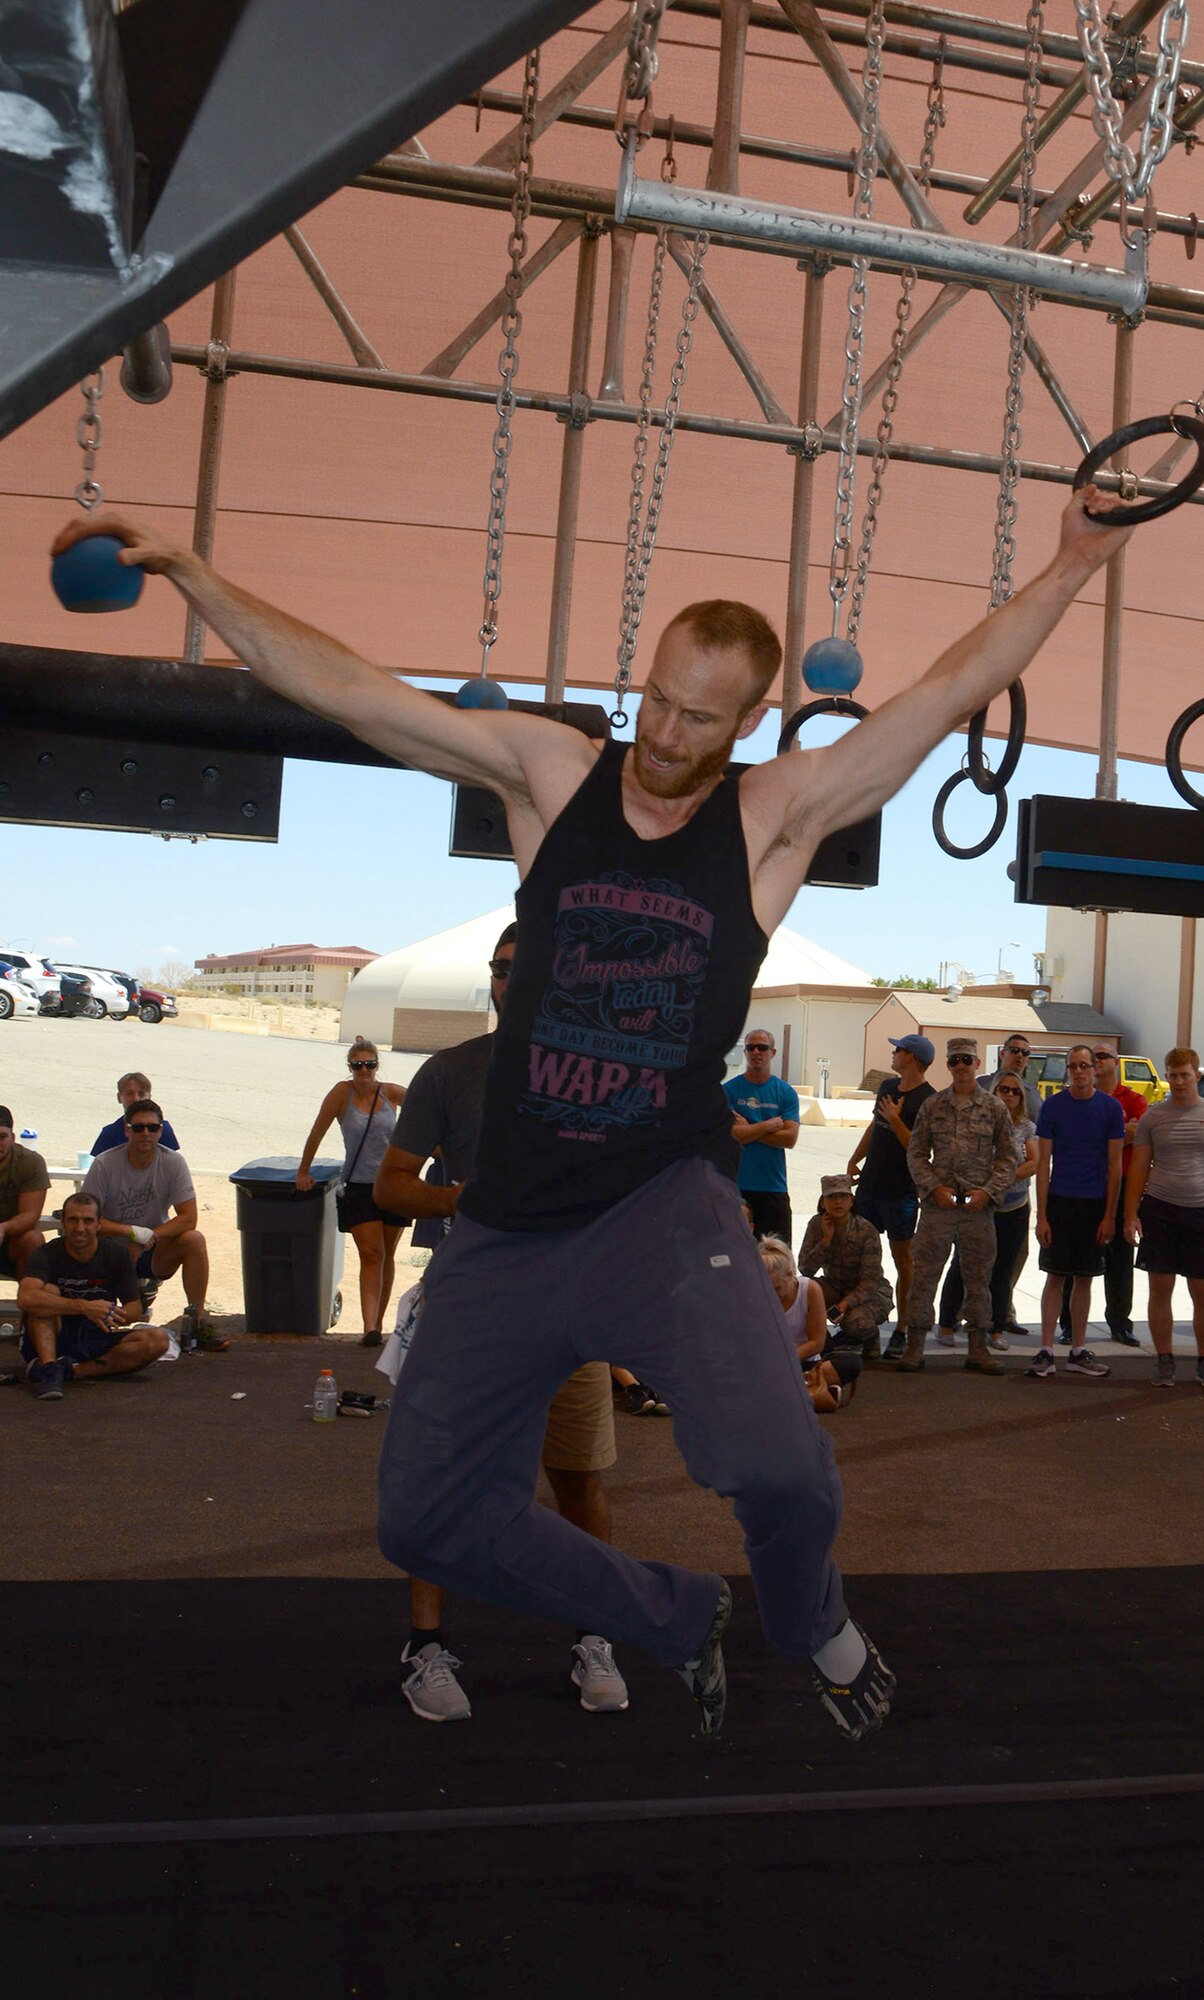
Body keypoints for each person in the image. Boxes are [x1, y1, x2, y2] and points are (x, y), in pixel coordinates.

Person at [53, 481, 1131, 1741]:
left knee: (784, 1468)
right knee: (425, 1518)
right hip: (508, 1223)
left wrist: (1073, 564)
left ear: (749, 721)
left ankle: (811, 1621)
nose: (668, 731)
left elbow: (940, 698)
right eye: (659, 698)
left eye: (701, 716)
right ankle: (673, 1614)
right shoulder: (553, 776)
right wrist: (193, 571)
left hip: (662, 1212)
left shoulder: (771, 820)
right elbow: (354, 692)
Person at [372, 924, 629, 1720]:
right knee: (444, 1480)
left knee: (579, 1482)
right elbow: (389, 1185)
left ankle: (596, 1636)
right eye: (501, 971)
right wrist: (460, 1200)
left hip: (570, 1313)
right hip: (473, 1308)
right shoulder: (451, 1072)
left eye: (529, 971)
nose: (510, 983)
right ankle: (426, 1649)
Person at [1123, 1048, 1204, 1390]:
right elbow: (1139, 1170)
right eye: (1172, 1075)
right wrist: (1130, 1216)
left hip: (1203, 1213)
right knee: (1160, 1289)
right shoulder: (1153, 1118)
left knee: (1203, 1291)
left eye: (1184, 1075)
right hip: (1159, 1210)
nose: (1178, 1081)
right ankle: (1164, 1360)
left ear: (1196, 1075)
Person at [900, 1037, 1015, 1376]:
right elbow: (916, 1153)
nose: (961, 1066)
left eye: (967, 1059)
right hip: (939, 1208)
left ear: (977, 1064)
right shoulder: (933, 1106)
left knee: (979, 1279)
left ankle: (978, 1348)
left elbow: (1009, 1157)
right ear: (948, 1066)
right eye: (954, 1061)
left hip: (977, 1210)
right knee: (924, 1277)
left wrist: (989, 1192)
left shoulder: (995, 1108)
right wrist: (933, 1188)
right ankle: (914, 1346)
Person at [80, 1099, 221, 1350]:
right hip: (107, 1249)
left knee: (194, 1239)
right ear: (126, 1130)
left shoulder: (173, 1162)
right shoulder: (104, 1164)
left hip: (152, 1250)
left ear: (161, 1131)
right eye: (138, 1127)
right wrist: (132, 1233)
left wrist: (147, 1238)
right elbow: (86, 1218)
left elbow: (189, 1217)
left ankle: (197, 1323)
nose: (145, 1133)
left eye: (152, 1128)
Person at [297, 1036, 406, 1349]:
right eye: (357, 1065)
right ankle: (369, 1326)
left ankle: (379, 1325)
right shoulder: (340, 1094)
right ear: (350, 1067)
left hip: (393, 1183)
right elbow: (317, 1132)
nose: (363, 1070)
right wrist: (303, 1171)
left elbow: (427, 1112)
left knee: (387, 1255)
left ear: (376, 1066)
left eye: (369, 1065)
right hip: (359, 1186)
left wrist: (436, 1148)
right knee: (371, 1254)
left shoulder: (391, 1093)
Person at [1028, 1046, 1124, 1381]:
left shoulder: (1110, 1109)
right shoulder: (1053, 1106)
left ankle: (1078, 1350)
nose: (1079, 1072)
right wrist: (1041, 1216)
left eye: (1085, 1065)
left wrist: (1110, 1215)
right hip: (1060, 1202)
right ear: (1067, 1070)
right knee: (1055, 1276)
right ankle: (1045, 1350)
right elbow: (1043, 1164)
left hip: (1094, 1204)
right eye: (1073, 1067)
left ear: (1096, 1068)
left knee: (1084, 1278)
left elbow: (1116, 1165)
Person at [18, 1190, 167, 1400]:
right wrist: (85, 1307)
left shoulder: (116, 1254)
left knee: (158, 1340)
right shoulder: (46, 1253)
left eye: (87, 1221)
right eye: (73, 1220)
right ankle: (50, 1367)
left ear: (99, 1225)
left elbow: (135, 1308)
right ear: (62, 1222)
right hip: (53, 1332)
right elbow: (26, 1298)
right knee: (46, 1294)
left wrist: (109, 1313)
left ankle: (72, 1371)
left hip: (96, 1332)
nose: (80, 1228)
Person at [848, 1033, 935, 1359]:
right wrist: (855, 1158)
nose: (893, 1053)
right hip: (870, 1187)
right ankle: (864, 1326)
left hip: (901, 1193)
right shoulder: (887, 1088)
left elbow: (920, 1148)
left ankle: (902, 1329)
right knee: (862, 1259)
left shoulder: (929, 1100)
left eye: (897, 1049)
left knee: (904, 1261)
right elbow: (875, 1125)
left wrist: (896, 1120)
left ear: (911, 1056)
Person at [940, 1074, 1038, 1349]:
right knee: (962, 1265)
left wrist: (1000, 1180)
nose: (1008, 1095)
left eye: (1015, 1091)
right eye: (1003, 1089)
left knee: (1002, 1272)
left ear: (1021, 1098)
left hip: (1013, 1208)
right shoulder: (978, 1124)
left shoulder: (1026, 1128)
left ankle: (995, 1330)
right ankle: (947, 1324)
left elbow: (1034, 1162)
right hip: (978, 1207)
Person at [1058, 1046, 1147, 1348]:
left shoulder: (1135, 1100)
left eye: (1103, 1057)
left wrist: (1109, 1135)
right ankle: (1068, 1325)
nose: (1097, 1063)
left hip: (1121, 1189)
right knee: (1073, 1260)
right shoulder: (1082, 1099)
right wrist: (1122, 1132)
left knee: (1120, 1259)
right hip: (1085, 1189)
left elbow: (1139, 1136)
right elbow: (1091, 1138)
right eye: (1091, 1059)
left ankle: (1120, 1324)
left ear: (1116, 1063)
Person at [797, 1175, 892, 1376]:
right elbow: (805, 1269)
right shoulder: (816, 1225)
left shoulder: (866, 1230)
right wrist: (825, 1240)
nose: (838, 1202)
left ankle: (869, 1336)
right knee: (803, 1290)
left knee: (857, 1324)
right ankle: (821, 1343)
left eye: (843, 1196)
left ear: (851, 1200)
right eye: (831, 1197)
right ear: (823, 1202)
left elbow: (871, 1280)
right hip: (833, 1286)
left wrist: (845, 1304)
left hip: (870, 1293)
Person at [723, 1029, 801, 1242]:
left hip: (773, 1188)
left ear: (773, 1052)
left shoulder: (785, 1092)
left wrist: (748, 1128)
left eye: (762, 1047)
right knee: (735, 1257)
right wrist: (768, 1125)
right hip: (737, 1188)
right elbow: (729, 1135)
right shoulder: (729, 1091)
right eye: (751, 1047)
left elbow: (790, 1139)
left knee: (777, 1258)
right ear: (745, 1052)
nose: (756, 1052)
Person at [758, 1233, 849, 1412]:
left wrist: (785, 1358)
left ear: (790, 1275)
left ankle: (788, 1391)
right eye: (765, 1289)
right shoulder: (754, 1295)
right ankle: (809, 1391)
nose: (771, 1295)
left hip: (802, 1361)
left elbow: (817, 1342)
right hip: (768, 1362)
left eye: (777, 1288)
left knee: (850, 1362)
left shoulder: (810, 1289)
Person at [0, 1105, 48, 1284]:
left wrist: (3, 1228)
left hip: (13, 1240)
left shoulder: (30, 1162)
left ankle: (29, 1302)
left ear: (12, 1138)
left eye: (2, 1137)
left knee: (33, 1239)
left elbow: (31, 1215)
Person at [90, 1072, 181, 1157]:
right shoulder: (110, 1134)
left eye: (141, 1094)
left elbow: (172, 1166)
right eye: (130, 1094)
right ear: (119, 1097)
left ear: (149, 1097)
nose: (136, 1099)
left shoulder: (162, 1129)